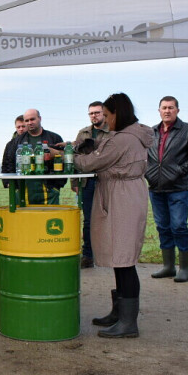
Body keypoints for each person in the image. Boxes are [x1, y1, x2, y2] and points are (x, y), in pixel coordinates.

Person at [74, 93, 153, 338]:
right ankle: (120, 313)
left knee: (124, 259)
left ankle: (128, 323)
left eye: (107, 115)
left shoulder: (124, 138)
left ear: (117, 113)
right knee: (121, 259)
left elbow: (89, 165)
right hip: (125, 194)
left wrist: (73, 155)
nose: (105, 121)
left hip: (122, 197)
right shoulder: (130, 136)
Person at [145, 96, 188, 282]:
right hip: (155, 188)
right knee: (162, 227)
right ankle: (168, 266)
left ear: (178, 110)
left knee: (179, 226)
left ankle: (184, 268)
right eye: (164, 107)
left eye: (171, 107)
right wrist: (148, 173)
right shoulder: (151, 132)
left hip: (178, 187)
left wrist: (178, 171)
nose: (167, 111)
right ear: (159, 110)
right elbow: (142, 155)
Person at [70, 102, 110, 268]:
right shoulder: (83, 132)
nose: (94, 116)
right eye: (91, 113)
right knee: (88, 221)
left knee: (108, 220)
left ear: (104, 114)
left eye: (97, 113)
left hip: (106, 182)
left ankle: (109, 255)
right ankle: (88, 256)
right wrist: (74, 181)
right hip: (87, 182)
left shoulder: (111, 132)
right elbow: (74, 156)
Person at [11, 109, 66, 204]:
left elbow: (65, 160)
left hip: (49, 190)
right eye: (27, 120)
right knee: (26, 218)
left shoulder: (54, 138)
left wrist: (57, 186)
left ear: (40, 118)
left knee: (49, 218)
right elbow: (9, 161)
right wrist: (13, 186)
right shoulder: (17, 141)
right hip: (24, 189)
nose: (29, 123)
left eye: (32, 119)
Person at [0, 115, 26, 182]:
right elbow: (5, 164)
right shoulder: (10, 145)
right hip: (15, 182)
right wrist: (6, 182)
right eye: (18, 127)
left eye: (23, 126)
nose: (21, 129)